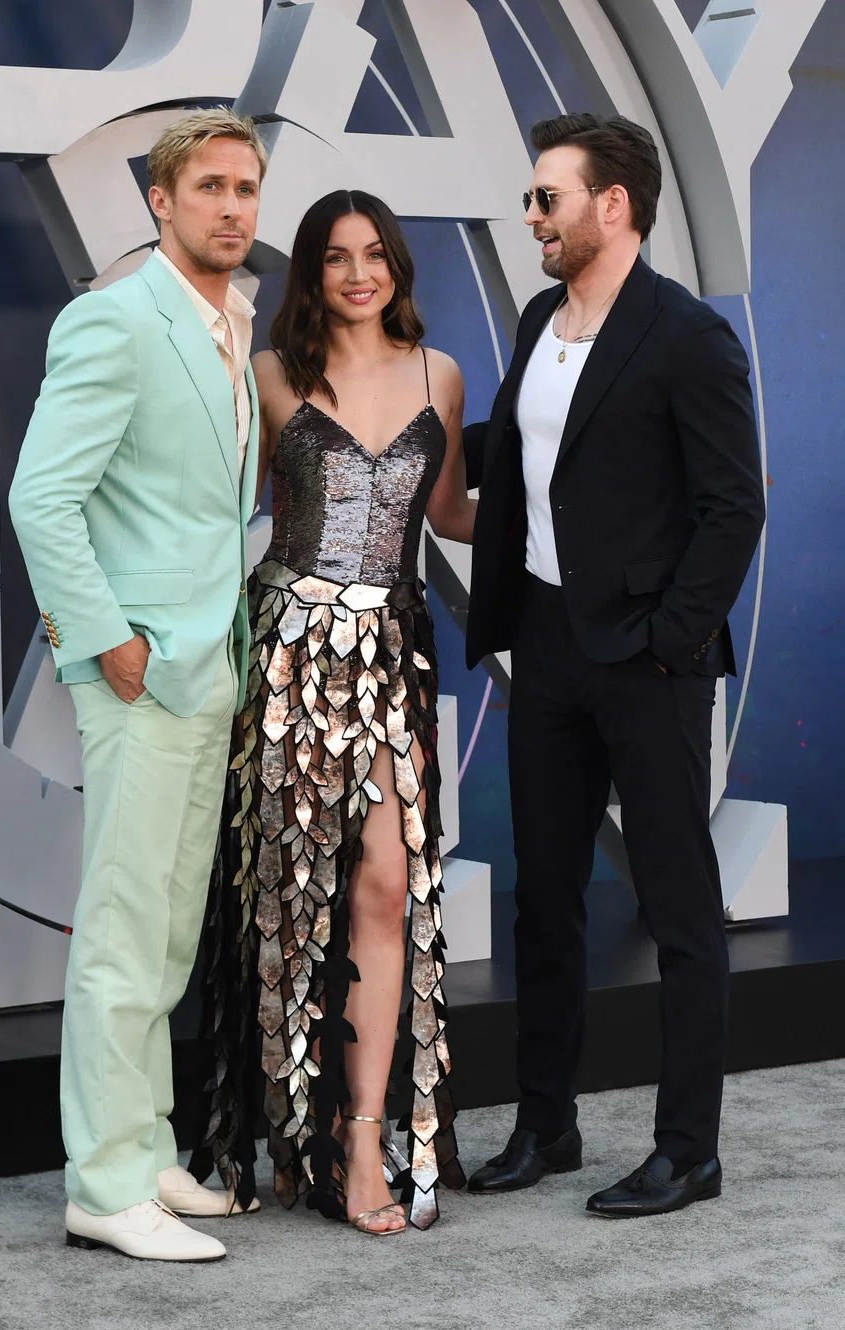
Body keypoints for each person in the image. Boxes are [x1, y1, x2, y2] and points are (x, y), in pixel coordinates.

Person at [463, 113, 765, 1217]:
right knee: (544, 902)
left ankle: (689, 1148)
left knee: (680, 911)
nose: (532, 216)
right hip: (544, 652)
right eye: (533, 198)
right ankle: (548, 1122)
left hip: (649, 665)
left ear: (613, 205)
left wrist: (668, 641)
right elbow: (517, 453)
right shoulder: (543, 317)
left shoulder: (687, 337)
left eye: (548, 197)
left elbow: (735, 508)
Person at [8, 108, 269, 1261]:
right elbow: (39, 498)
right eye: (208, 186)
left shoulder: (231, 320)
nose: (230, 206)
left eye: (246, 188)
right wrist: (103, 640)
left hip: (209, 662)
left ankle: (144, 1148)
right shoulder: (113, 320)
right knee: (122, 929)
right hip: (140, 671)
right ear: (161, 202)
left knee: (165, 931)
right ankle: (102, 1186)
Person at [192, 189, 475, 1233]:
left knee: (388, 886)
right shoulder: (268, 375)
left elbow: (449, 515)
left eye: (376, 255)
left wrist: (612, 508)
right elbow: (216, 508)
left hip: (394, 653)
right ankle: (285, 1123)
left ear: (397, 264)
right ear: (313, 273)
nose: (360, 274)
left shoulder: (438, 374)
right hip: (289, 654)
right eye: (337, 258)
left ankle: (364, 1133)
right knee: (285, 894)